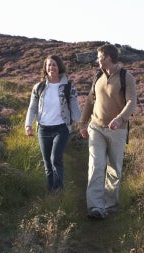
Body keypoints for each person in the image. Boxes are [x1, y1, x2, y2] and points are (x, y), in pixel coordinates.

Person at [79, 44, 137, 219]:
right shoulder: (97, 76)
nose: (97, 60)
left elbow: (131, 102)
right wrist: (82, 123)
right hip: (96, 127)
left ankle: (110, 206)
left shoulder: (126, 77)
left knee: (114, 168)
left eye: (99, 57)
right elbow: (90, 101)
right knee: (96, 166)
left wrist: (120, 118)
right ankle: (96, 207)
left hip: (117, 130)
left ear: (109, 58)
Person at [25, 55, 81, 192]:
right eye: (49, 65)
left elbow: (75, 107)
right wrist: (28, 125)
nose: (51, 68)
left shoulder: (68, 86)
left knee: (55, 158)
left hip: (61, 128)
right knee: (47, 163)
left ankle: (58, 190)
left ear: (59, 67)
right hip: (43, 129)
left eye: (54, 65)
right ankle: (51, 191)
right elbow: (32, 108)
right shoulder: (39, 87)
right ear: (45, 68)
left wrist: (82, 124)